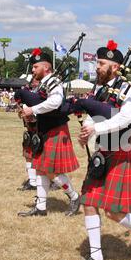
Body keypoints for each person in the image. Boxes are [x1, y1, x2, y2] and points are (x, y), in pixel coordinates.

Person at [70, 40, 131, 260]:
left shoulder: (127, 89)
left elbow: (126, 119)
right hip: (102, 151)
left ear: (115, 66)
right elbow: (95, 113)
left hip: (119, 152)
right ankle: (96, 257)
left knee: (113, 211)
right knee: (89, 202)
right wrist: (86, 132)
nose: (97, 67)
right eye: (97, 63)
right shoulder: (100, 89)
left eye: (101, 64)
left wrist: (95, 129)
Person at [18, 48, 80, 217]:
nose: (32, 69)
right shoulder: (43, 83)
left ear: (46, 67)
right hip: (44, 129)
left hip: (55, 129)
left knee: (51, 171)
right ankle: (41, 207)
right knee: (39, 168)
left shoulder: (53, 82)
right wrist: (29, 113)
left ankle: (74, 197)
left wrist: (33, 109)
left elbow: (55, 102)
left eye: (35, 66)